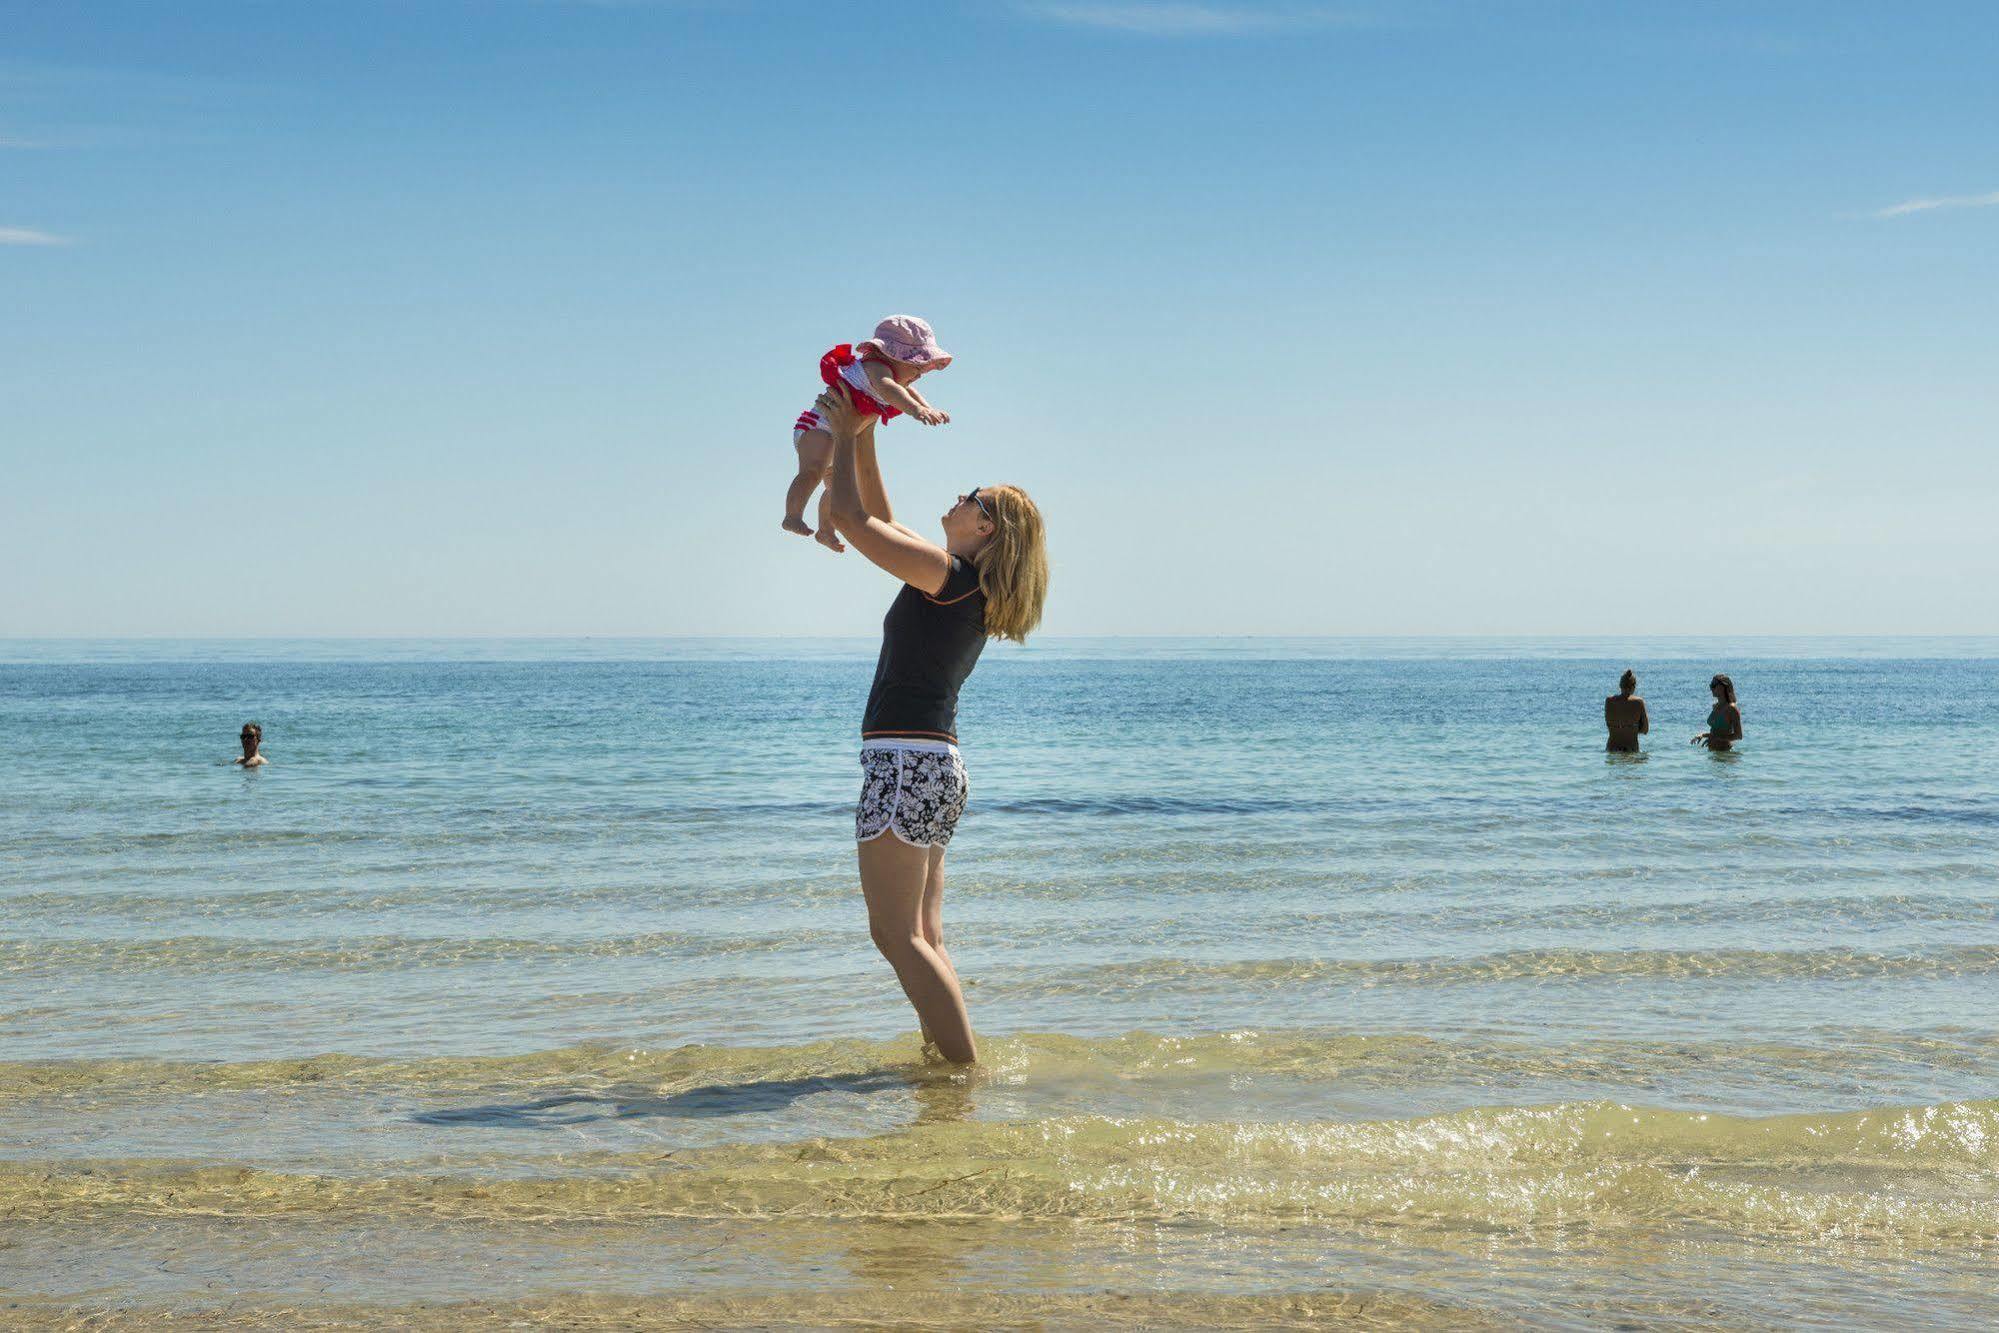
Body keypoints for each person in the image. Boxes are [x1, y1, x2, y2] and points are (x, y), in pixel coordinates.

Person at [813, 383, 1047, 1066]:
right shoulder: (956, 582)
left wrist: (851, 433)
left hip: (906, 763)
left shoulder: (949, 579)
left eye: (971, 496)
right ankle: (947, 1066)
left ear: (985, 529)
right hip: (935, 767)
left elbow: (856, 526)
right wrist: (866, 427)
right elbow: (878, 517)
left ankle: (962, 1073)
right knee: (922, 932)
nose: (958, 497)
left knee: (896, 934)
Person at [783, 315, 953, 554]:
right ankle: (792, 515)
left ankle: (825, 530)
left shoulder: (892, 377)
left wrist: (928, 407)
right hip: (818, 428)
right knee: (813, 471)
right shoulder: (876, 368)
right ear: (893, 355)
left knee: (838, 489)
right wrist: (917, 411)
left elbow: (908, 392)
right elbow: (890, 390)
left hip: (842, 435)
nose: (919, 374)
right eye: (916, 367)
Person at [1692, 674, 1743, 751]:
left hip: (1725, 755)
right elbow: (1716, 732)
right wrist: (1702, 735)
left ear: (1723, 687)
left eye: (1713, 685)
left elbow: (1738, 735)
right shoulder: (1715, 706)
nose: (1711, 688)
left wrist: (1715, 738)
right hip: (1713, 754)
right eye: (1710, 685)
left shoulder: (1732, 708)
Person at [1604, 669, 1649, 753]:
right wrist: (1632, 729)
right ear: (1633, 687)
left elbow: (1609, 724)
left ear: (1620, 685)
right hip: (1631, 750)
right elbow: (1645, 730)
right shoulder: (1638, 702)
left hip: (1612, 749)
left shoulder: (1609, 701)